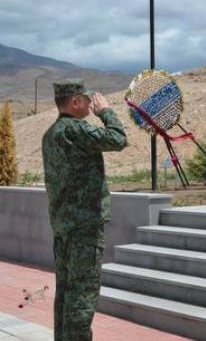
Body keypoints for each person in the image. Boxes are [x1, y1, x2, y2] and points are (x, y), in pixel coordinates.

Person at [42, 79, 128, 341]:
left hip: (63, 225)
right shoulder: (76, 130)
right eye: (88, 100)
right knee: (82, 295)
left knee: (66, 292)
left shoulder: (51, 133)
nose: (92, 104)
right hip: (84, 227)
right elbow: (118, 139)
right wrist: (106, 113)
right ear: (75, 102)